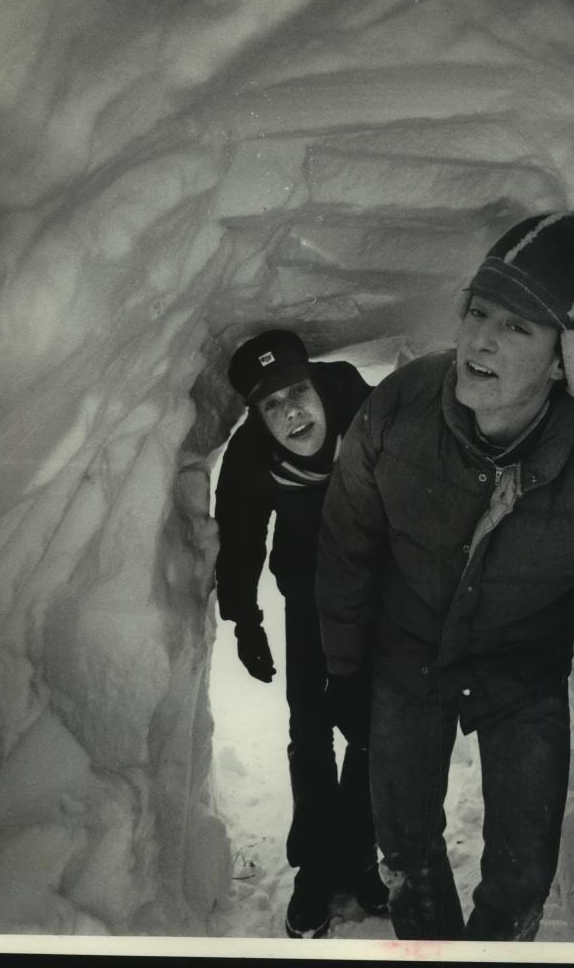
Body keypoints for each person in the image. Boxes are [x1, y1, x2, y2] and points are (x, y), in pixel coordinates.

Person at [316, 211, 574, 941]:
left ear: (564, 361)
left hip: (523, 672)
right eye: (479, 311)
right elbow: (344, 544)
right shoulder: (399, 408)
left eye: (519, 328)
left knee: (522, 874)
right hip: (404, 654)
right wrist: (345, 672)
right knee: (407, 860)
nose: (481, 338)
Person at [211, 328, 388, 938]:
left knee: (369, 727)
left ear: (316, 384)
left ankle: (360, 854)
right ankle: (316, 865)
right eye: (271, 404)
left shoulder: (363, 412)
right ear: (257, 417)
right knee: (310, 729)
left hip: (374, 592)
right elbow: (239, 539)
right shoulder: (250, 458)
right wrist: (244, 620)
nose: (291, 411)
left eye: (296, 392)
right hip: (308, 594)